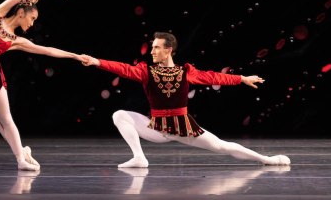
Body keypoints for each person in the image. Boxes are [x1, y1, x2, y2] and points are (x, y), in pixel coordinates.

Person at [81, 31, 291, 168]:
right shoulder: (146, 71)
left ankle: (267, 159)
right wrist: (96, 61)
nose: (152, 51)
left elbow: (213, 76)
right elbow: (124, 69)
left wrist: (242, 78)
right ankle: (139, 158)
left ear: (168, 50)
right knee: (119, 115)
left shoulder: (186, 72)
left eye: (156, 47)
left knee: (221, 146)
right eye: (152, 47)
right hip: (156, 128)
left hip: (183, 127)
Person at [0, 0, 86, 171]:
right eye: (32, 18)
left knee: (6, 118)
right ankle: (22, 153)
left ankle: (21, 160)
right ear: (20, 13)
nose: (32, 23)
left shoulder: (16, 41)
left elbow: (48, 51)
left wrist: (76, 56)